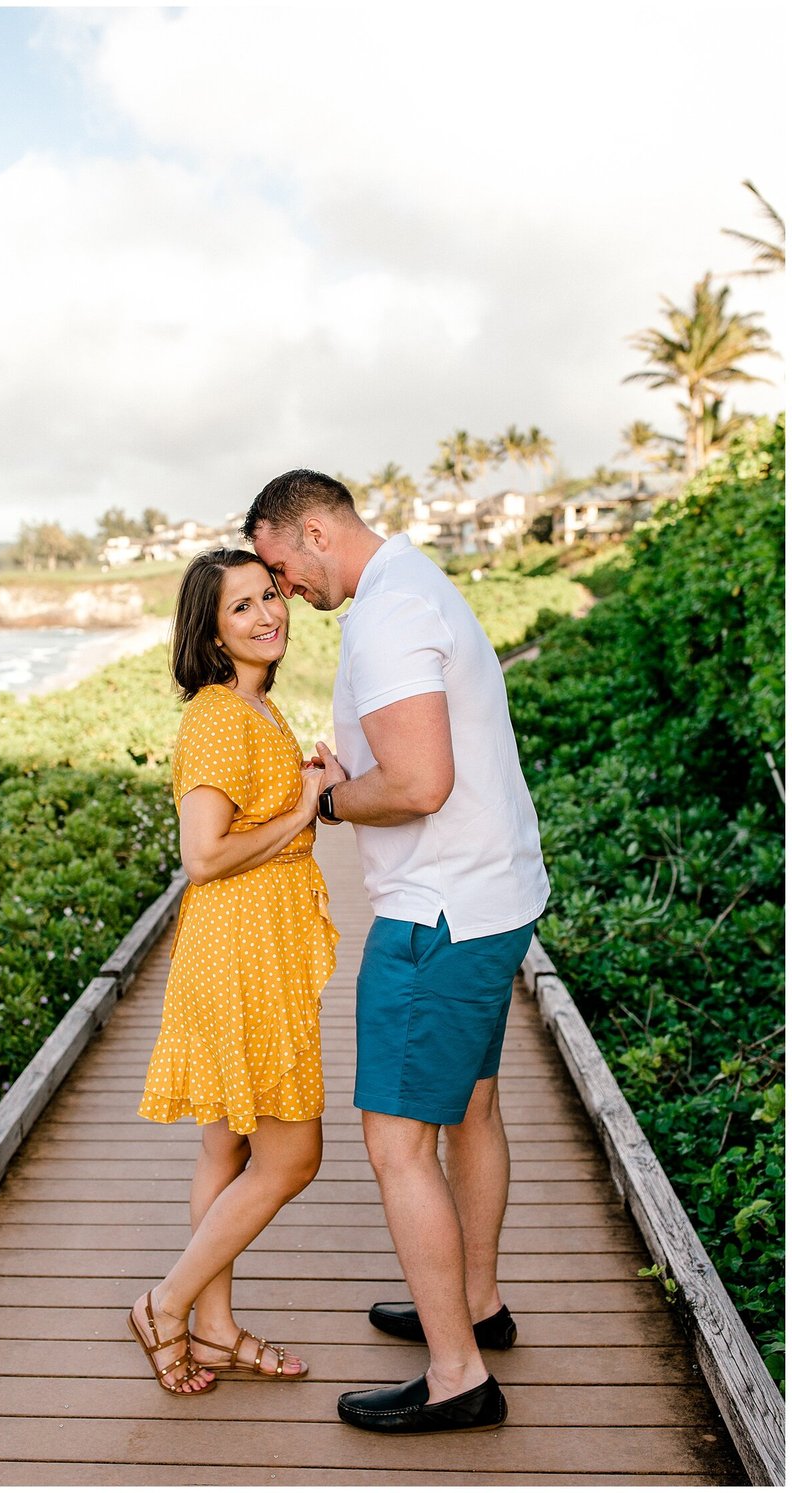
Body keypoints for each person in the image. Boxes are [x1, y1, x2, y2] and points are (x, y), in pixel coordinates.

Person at [244, 470, 549, 1435]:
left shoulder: (382, 617)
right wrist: (360, 776)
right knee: (472, 1108)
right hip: (491, 892)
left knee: (396, 1142)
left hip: (437, 915)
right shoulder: (419, 582)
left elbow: (418, 782)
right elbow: (423, 762)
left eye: (279, 563)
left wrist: (329, 801)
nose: (280, 586)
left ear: (316, 529)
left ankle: (457, 1373)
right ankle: (478, 1305)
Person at [131, 548, 338, 1396]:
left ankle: (213, 1330)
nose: (267, 615)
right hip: (237, 953)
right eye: (241, 608)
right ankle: (167, 1303)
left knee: (229, 1142)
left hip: (257, 948)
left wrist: (310, 783)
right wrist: (298, 806)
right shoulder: (218, 715)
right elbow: (204, 855)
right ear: (210, 634)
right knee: (292, 1157)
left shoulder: (261, 708)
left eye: (269, 596)